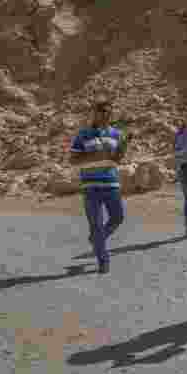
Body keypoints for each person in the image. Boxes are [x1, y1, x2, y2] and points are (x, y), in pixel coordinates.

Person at [69, 95, 128, 274]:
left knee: (117, 218)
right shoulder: (83, 134)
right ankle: (103, 260)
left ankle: (96, 239)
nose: (104, 115)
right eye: (100, 112)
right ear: (93, 113)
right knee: (95, 223)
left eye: (108, 112)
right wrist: (95, 155)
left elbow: (117, 159)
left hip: (111, 184)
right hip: (91, 186)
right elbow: (73, 159)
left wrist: (123, 146)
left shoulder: (116, 134)